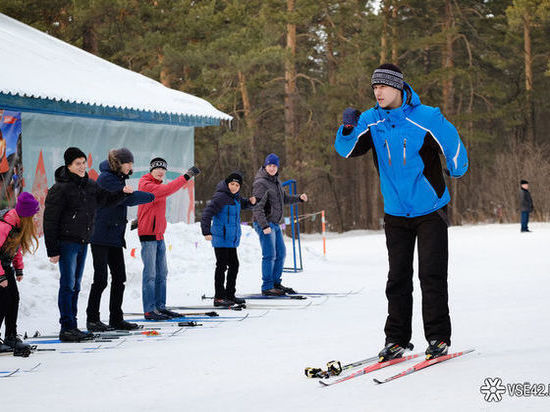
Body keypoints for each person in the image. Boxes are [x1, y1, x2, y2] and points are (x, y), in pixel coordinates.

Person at [334, 64, 468, 360]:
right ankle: (396, 339)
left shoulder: (426, 117)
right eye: (374, 88)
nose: (378, 92)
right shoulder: (371, 120)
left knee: (431, 275)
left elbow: (454, 144)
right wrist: (346, 129)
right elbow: (346, 150)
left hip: (430, 209)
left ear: (398, 87)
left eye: (382, 86)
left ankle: (438, 338)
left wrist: (457, 169)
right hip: (395, 212)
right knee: (397, 278)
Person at [43, 147, 133, 342]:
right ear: (69, 165)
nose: (82, 167)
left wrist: (122, 193)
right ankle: (67, 327)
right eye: (78, 164)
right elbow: (50, 221)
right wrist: (52, 249)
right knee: (67, 284)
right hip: (66, 242)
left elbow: (106, 199)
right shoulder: (60, 188)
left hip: (83, 241)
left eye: (84, 163)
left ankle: (73, 325)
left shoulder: (89, 185)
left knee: (75, 285)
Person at [86, 148, 155, 332]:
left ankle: (116, 318)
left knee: (119, 278)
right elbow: (127, 199)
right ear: (119, 163)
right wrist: (152, 196)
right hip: (101, 236)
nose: (131, 166)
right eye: (129, 163)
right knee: (100, 279)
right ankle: (92, 319)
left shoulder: (118, 178)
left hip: (114, 236)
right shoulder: (107, 179)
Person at [137, 157, 200, 320]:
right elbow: (166, 190)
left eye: (163, 169)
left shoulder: (157, 185)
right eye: (157, 169)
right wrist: (186, 176)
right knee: (150, 274)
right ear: (151, 170)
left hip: (158, 234)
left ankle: (160, 307)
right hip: (148, 235)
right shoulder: (146, 184)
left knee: (162, 273)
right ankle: (149, 310)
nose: (160, 172)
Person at [252, 153, 308, 296]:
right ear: (265, 166)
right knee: (269, 255)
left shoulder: (275, 182)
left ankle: (276, 283)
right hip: (265, 224)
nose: (272, 168)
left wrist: (299, 198)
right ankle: (267, 286)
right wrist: (264, 226)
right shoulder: (261, 183)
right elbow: (257, 207)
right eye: (270, 165)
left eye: (274, 166)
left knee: (281, 253)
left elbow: (284, 198)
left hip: (275, 223)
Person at [200, 171, 256, 307]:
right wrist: (206, 231)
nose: (234, 187)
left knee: (234, 265)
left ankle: (230, 295)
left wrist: (250, 202)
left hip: (231, 239)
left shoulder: (236, 198)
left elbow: (244, 204)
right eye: (232, 184)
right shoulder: (220, 197)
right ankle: (219, 297)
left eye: (237, 185)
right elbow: (206, 214)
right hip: (220, 238)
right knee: (221, 266)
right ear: (227, 184)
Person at [0, 192, 40, 356]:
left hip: (5, 265)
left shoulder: (18, 223)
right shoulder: (5, 225)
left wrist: (18, 268)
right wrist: (1, 276)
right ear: (26, 213)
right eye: (33, 215)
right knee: (3, 300)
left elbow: (15, 247)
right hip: (0, 267)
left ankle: (10, 335)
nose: (34, 218)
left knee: (13, 298)